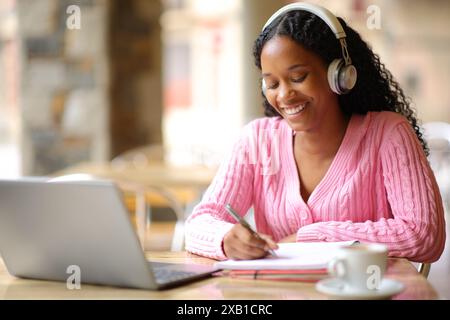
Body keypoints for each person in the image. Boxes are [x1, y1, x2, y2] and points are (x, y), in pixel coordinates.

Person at [184, 3, 446, 262]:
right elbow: (199, 223)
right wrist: (225, 237)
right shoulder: (257, 141)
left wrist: (311, 237)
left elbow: (423, 235)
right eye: (272, 84)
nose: (284, 95)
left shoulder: (388, 134)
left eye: (298, 78)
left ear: (340, 75)